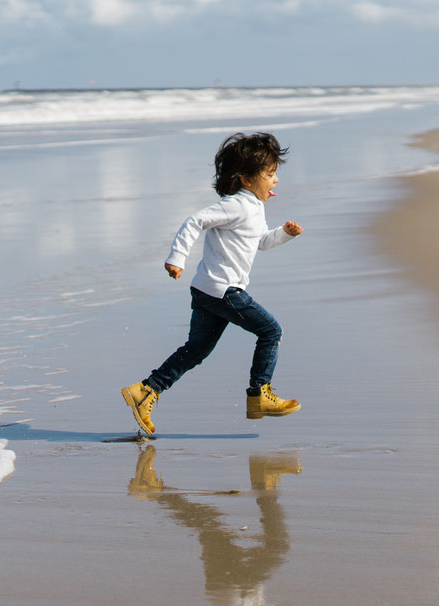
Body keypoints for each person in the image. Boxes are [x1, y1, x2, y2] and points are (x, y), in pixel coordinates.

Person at [121, 132, 304, 435]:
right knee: (271, 331)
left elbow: (259, 242)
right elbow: (195, 220)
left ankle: (145, 391)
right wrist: (177, 257)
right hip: (224, 290)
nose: (276, 180)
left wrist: (284, 233)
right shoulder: (236, 205)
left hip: (209, 289)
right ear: (245, 178)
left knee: (196, 350)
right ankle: (259, 394)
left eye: (275, 174)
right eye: (270, 174)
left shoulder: (254, 208)